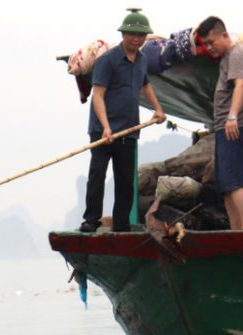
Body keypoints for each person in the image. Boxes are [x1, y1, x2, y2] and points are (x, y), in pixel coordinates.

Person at [80, 8, 166, 233]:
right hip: (103, 130)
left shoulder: (142, 60)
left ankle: (121, 223)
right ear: (123, 34)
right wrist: (106, 128)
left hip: (129, 131)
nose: (137, 39)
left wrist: (158, 109)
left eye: (141, 35)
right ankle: (91, 220)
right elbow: (97, 96)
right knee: (98, 174)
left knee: (126, 180)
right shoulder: (107, 60)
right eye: (132, 34)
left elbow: (146, 84)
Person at [196, 16, 243, 230]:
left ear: (224, 35)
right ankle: (235, 230)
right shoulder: (226, 57)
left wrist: (232, 116)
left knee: (234, 182)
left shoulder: (237, 54)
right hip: (225, 126)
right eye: (205, 44)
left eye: (211, 42)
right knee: (226, 185)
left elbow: (240, 86)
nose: (209, 47)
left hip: (235, 126)